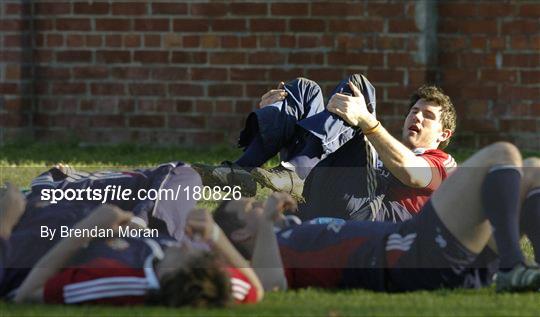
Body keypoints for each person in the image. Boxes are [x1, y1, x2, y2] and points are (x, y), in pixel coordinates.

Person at [214, 142, 540, 293]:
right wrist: (269, 227)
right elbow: (269, 286)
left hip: (430, 256)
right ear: (242, 235)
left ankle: (526, 268)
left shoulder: (289, 235)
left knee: (533, 168)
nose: (260, 205)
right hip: (413, 254)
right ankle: (512, 267)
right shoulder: (272, 256)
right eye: (251, 209)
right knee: (502, 154)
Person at [8, 202, 263, 306]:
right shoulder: (216, 283)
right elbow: (255, 289)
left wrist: (86, 229)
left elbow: (27, 294)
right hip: (107, 226)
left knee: (13, 202)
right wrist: (214, 234)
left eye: (187, 252)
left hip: (32, 249)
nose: (185, 245)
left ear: (175, 272)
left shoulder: (118, 282)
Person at [193, 75, 377, 199]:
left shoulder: (402, 158)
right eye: (408, 111)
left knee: (357, 84)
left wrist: (366, 119)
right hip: (310, 187)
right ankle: (244, 169)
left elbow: (404, 170)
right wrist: (275, 111)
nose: (408, 118)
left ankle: (297, 170)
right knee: (305, 88)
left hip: (354, 194)